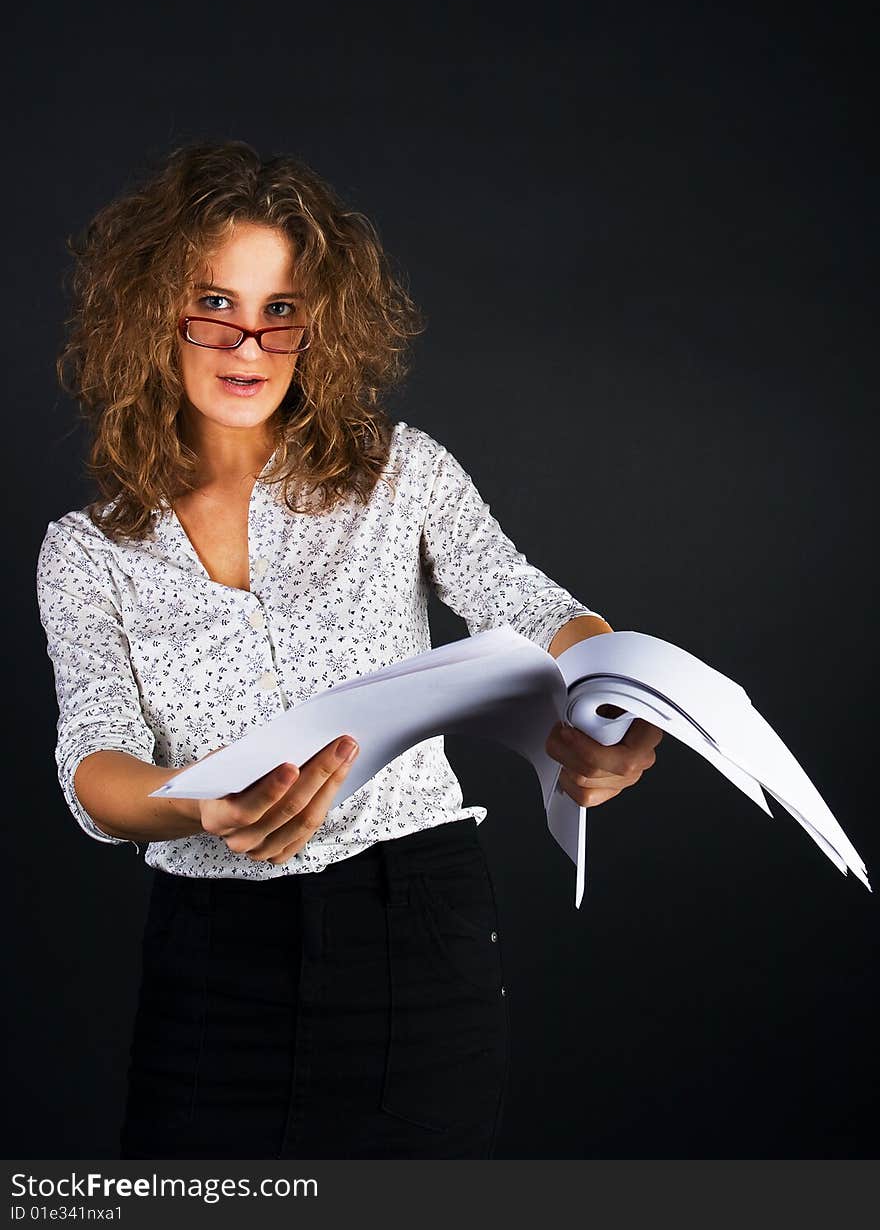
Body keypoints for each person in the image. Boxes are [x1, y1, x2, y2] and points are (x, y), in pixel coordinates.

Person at [35, 139, 663, 1160]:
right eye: (214, 305)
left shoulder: (401, 474)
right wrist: (196, 803)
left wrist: (611, 696)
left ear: (320, 325)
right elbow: (92, 762)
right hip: (208, 961)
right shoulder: (87, 550)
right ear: (150, 313)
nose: (247, 344)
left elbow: (522, 597)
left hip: (409, 930)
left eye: (280, 310)